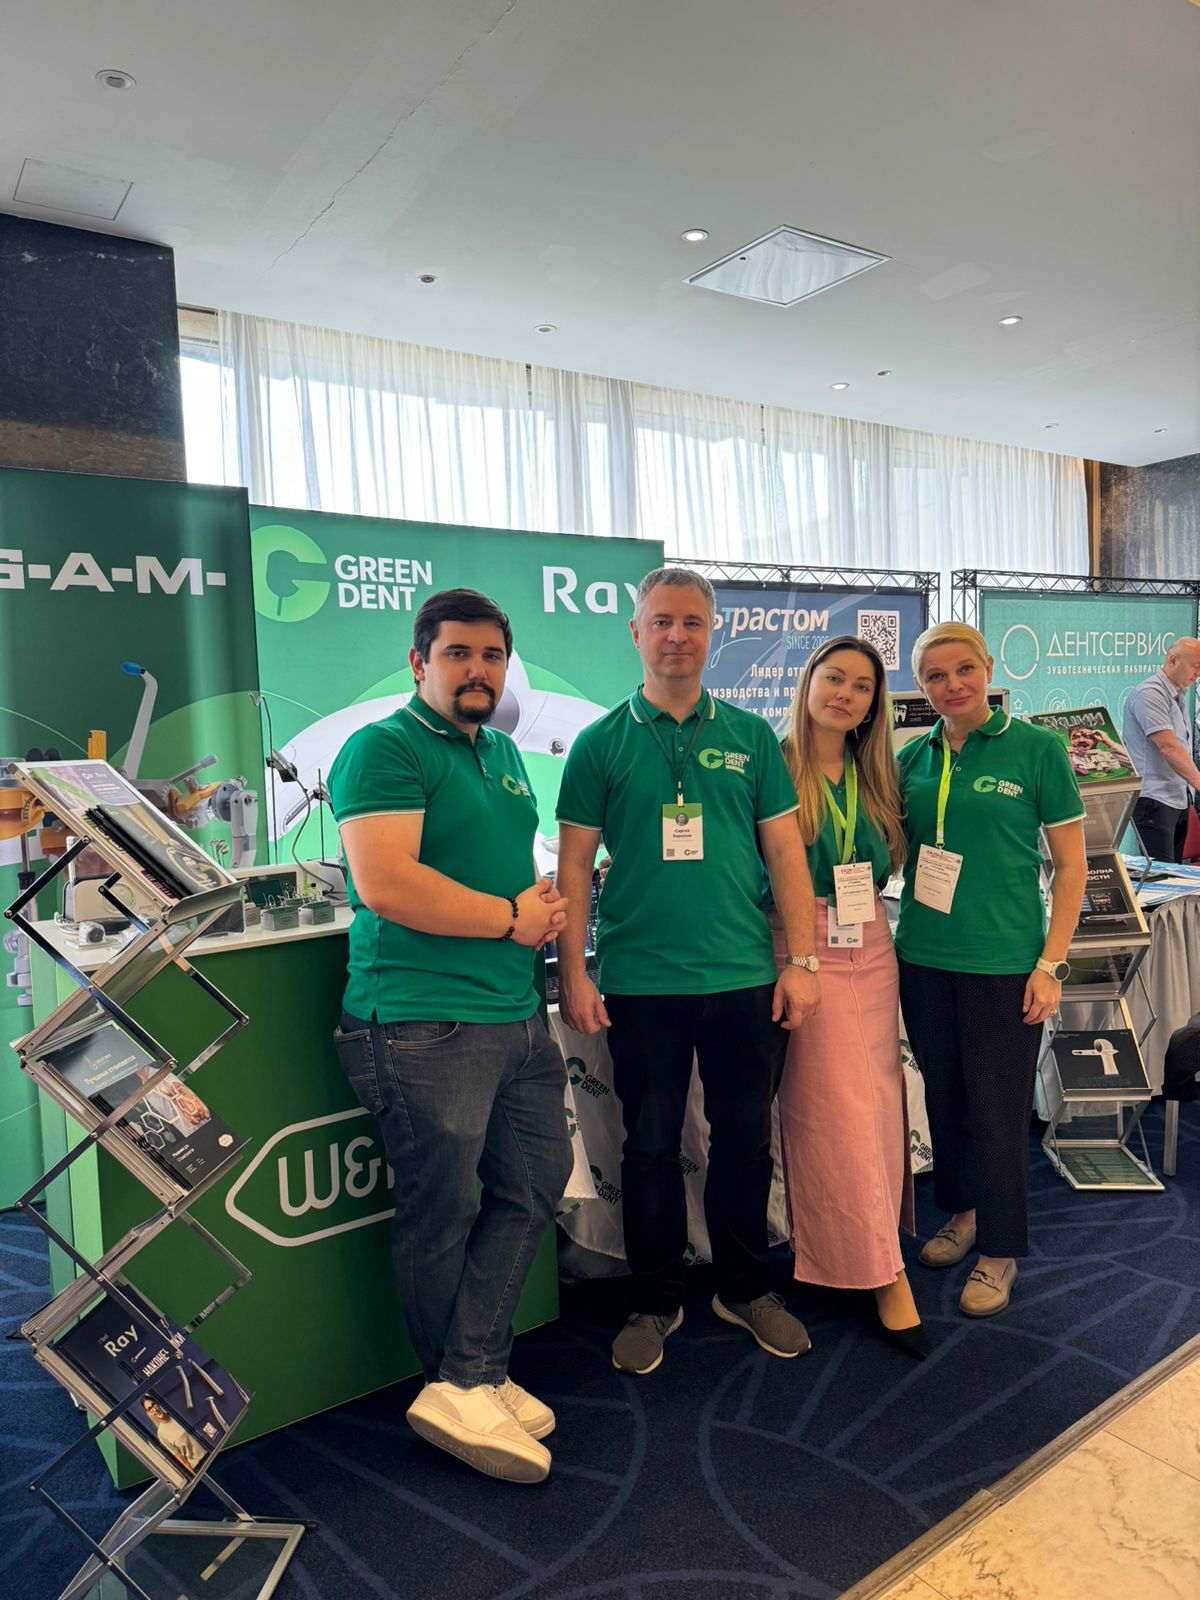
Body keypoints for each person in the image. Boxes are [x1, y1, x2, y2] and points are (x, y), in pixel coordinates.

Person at [328, 588, 573, 1485]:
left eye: (492, 656)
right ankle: (458, 1383)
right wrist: (511, 918)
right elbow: (387, 883)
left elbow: (491, 860)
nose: (478, 670)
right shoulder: (383, 748)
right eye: (458, 654)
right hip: (422, 1019)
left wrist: (535, 903)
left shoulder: (500, 751)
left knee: (535, 1184)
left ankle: (472, 1370)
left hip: (514, 1012)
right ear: (418, 661)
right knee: (444, 1213)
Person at [554, 566, 820, 1376]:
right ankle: (654, 1299)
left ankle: (746, 1288)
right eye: (662, 621)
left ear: (713, 634)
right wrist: (575, 974)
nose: (677, 636)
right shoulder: (600, 743)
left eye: (692, 622)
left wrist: (801, 959)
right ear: (635, 632)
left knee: (745, 1141)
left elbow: (786, 854)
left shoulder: (751, 738)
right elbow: (573, 870)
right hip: (641, 982)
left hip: (742, 976)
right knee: (649, 1147)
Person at [896, 622, 1087, 1317]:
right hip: (922, 957)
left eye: (964, 669)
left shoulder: (1037, 749)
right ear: (920, 686)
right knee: (946, 1101)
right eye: (936, 675)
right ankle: (965, 1213)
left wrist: (1051, 964)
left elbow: (1072, 867)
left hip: (1004, 963)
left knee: (998, 1110)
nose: (952, 685)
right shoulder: (911, 757)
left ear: (988, 667)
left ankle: (1000, 1251)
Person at [773, 635, 924, 1357]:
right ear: (808, 684)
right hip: (802, 942)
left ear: (873, 705)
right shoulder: (773, 763)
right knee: (833, 1110)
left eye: (862, 686)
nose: (845, 694)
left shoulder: (877, 773)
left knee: (880, 1101)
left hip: (871, 940)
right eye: (833, 678)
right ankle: (879, 1272)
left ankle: (872, 1239)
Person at [1121, 638, 1200, 863]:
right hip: (1155, 801)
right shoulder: (1150, 694)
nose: (1198, 674)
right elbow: (1168, 748)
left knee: (1176, 875)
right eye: (1195, 666)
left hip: (1177, 798)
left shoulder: (1177, 694)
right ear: (1173, 660)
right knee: (1161, 876)